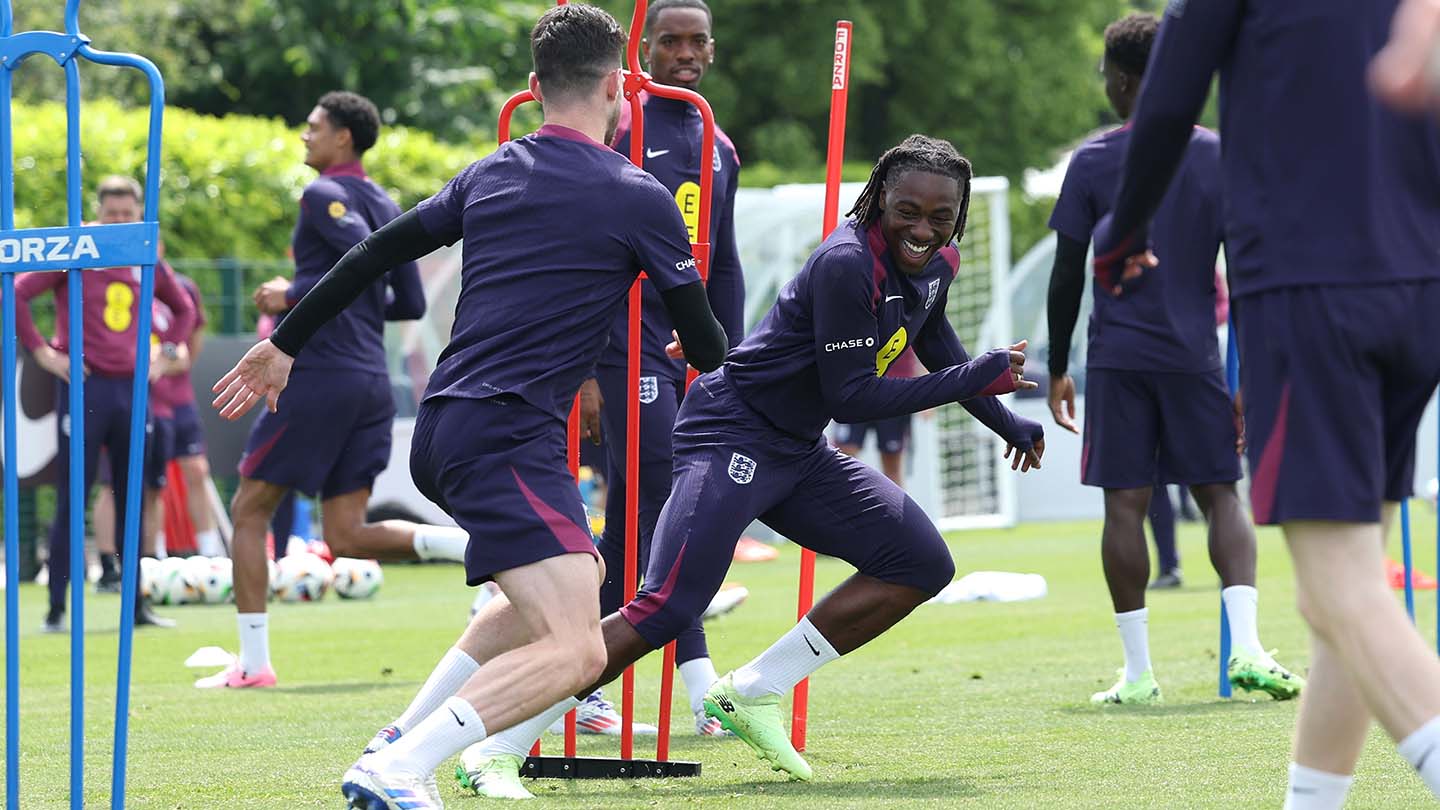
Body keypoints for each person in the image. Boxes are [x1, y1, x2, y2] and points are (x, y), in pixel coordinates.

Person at [210, 6, 728, 806]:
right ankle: (403, 765)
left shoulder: (492, 170)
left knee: (565, 585)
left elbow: (374, 253)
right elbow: (703, 346)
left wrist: (285, 342)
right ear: (622, 88)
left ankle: (394, 738)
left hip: (450, 425)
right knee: (578, 649)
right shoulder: (640, 195)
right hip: (509, 434)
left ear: (533, 89)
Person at [455, 135, 1045, 798]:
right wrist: (977, 378)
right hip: (729, 433)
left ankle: (751, 691)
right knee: (668, 604)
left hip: (796, 448)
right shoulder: (847, 263)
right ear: (881, 198)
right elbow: (854, 395)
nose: (923, 229)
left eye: (942, 217)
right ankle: (495, 746)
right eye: (909, 210)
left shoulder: (939, 264)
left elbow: (936, 344)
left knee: (923, 563)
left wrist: (1004, 416)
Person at [1089, 1, 1440, 805]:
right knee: (1347, 605)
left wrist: (1123, 231)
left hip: (1312, 289)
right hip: (1419, 286)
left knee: (1335, 591)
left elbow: (1169, 101)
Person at [1045, 12, 1301, 705]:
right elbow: (1246, 273)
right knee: (1221, 492)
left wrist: (1060, 365)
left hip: (1118, 359)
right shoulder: (1220, 155)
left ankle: (1138, 675)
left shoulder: (1094, 160)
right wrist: (1250, 372)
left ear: (1125, 82)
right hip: (1197, 356)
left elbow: (1067, 273)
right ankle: (1247, 646)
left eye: (1106, 74)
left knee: (1124, 506)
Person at [197, 90, 467, 690]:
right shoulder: (383, 200)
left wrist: (290, 295)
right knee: (344, 533)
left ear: (343, 137)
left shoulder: (322, 194)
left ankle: (252, 663)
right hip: (370, 380)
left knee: (249, 508)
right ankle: (473, 547)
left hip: (316, 374)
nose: (304, 136)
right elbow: (411, 301)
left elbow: (356, 261)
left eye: (314, 127)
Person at [555, 0, 744, 741]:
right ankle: (704, 692)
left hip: (681, 353)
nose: (686, 52)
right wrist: (587, 372)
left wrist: (728, 361)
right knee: (671, 505)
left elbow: (720, 261)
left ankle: (576, 674)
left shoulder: (716, 139)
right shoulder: (622, 122)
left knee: (635, 525)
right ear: (646, 45)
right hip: (618, 347)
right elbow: (585, 252)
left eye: (698, 41)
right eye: (671, 40)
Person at [15, 175, 195, 631]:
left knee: (132, 497)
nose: (118, 222)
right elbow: (16, 291)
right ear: (98, 214)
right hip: (85, 388)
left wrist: (167, 351)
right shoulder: (78, 248)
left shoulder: (144, 251)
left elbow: (185, 309)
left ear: (138, 214)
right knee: (72, 498)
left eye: (126, 215)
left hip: (133, 390)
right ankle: (56, 608)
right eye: (110, 215)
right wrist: (42, 352)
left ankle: (136, 607)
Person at [835, 348, 918, 487]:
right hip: (856, 387)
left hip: (895, 389)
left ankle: (893, 508)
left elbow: (926, 336)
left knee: (892, 465)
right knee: (842, 459)